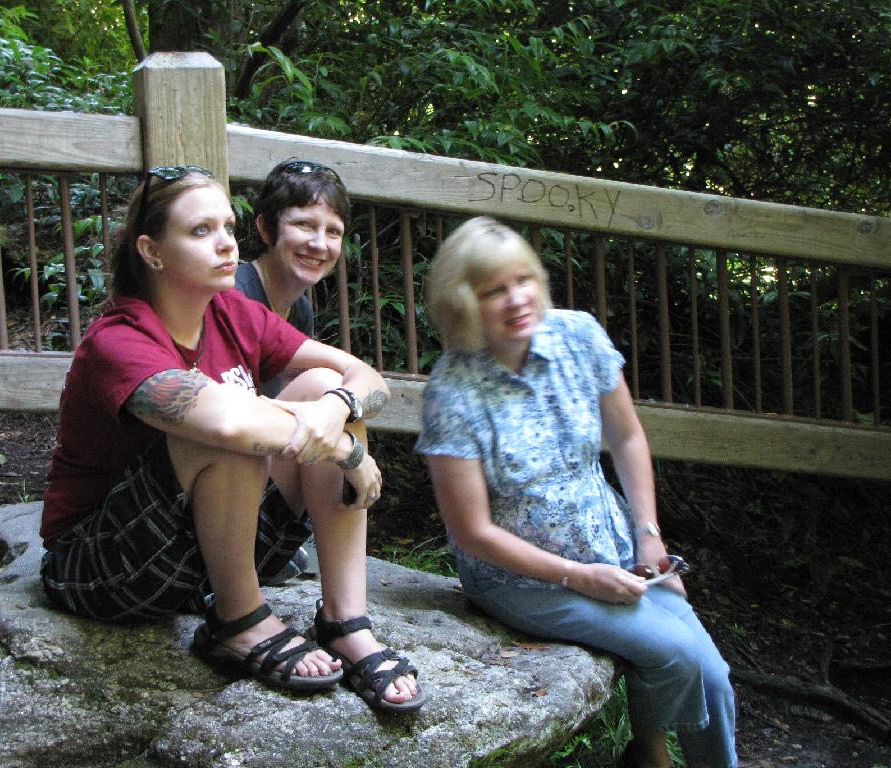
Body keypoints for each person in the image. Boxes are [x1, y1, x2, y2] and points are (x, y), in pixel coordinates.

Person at [39, 165, 423, 712]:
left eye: (227, 227)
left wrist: (337, 409)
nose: (225, 244)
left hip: (205, 551)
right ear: (152, 251)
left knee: (324, 387)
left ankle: (344, 621)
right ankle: (238, 620)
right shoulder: (120, 339)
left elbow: (363, 377)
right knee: (229, 425)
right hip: (106, 564)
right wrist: (346, 450)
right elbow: (226, 424)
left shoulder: (233, 312)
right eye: (201, 231)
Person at [414, 217, 735, 766]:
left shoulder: (578, 336)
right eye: (494, 290)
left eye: (524, 280)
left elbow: (627, 437)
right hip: (521, 579)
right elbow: (472, 532)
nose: (518, 299)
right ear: (462, 302)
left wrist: (649, 536)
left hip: (613, 545)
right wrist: (579, 577)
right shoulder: (452, 393)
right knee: (678, 652)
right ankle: (650, 756)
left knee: (716, 677)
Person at [234, 159, 353, 584]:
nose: (320, 243)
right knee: (325, 387)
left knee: (332, 399)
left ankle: (275, 547)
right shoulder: (234, 296)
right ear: (266, 229)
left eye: (333, 231)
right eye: (304, 225)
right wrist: (349, 454)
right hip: (216, 475)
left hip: (254, 469)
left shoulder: (298, 308)